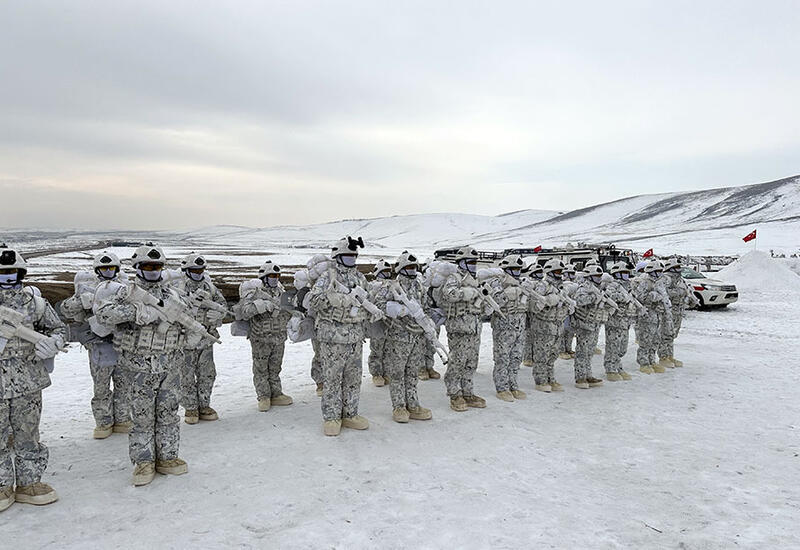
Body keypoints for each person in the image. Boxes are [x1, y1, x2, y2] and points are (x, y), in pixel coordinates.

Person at [95, 244, 191, 486]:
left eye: (157, 266)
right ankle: (144, 461)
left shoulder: (172, 295)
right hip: (138, 368)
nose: (153, 271)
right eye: (147, 266)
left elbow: (187, 320)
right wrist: (138, 311)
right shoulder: (126, 292)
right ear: (137, 268)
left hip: (170, 366)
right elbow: (104, 315)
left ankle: (168, 456)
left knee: (168, 412)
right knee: (142, 416)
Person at [0, 245, 64, 510]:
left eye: (12, 273)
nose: (7, 278)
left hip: (28, 381)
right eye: (2, 274)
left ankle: (29, 483)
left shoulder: (35, 303)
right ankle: (2, 486)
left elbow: (58, 327)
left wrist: (54, 343)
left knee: (28, 433)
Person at [60, 252, 132, 438]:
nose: (108, 271)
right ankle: (103, 422)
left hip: (122, 344)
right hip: (99, 345)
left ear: (117, 269)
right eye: (103, 268)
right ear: (97, 270)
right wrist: (83, 300)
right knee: (101, 387)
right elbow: (66, 308)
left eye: (111, 268)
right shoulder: (87, 288)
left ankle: (123, 419)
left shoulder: (124, 287)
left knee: (123, 385)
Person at [307, 236, 373, 436]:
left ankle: (350, 414)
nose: (352, 259)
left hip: (355, 337)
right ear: (338, 256)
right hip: (333, 338)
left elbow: (368, 300)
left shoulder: (360, 278)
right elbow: (314, 300)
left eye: (354, 256)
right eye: (347, 255)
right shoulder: (328, 276)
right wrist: (334, 298)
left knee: (353, 378)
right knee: (333, 378)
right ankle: (332, 417)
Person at [379, 251, 433, 423]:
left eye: (414, 267)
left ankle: (413, 403)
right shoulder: (391, 286)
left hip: (417, 337)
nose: (412, 270)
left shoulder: (419, 287)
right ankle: (399, 406)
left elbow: (427, 307)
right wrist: (397, 310)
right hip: (398, 338)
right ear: (401, 268)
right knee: (397, 373)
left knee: (412, 372)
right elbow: (379, 305)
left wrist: (429, 322)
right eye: (408, 267)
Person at [173, 253, 227, 424]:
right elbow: (171, 310)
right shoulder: (178, 288)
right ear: (187, 270)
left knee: (207, 374)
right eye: (194, 270)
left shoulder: (209, 287)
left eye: (201, 269)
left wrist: (218, 314)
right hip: (185, 340)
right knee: (186, 376)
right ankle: (190, 408)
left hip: (206, 339)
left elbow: (223, 305)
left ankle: (204, 405)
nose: (198, 272)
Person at [236, 260, 294, 412]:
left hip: (279, 337)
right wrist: (258, 306)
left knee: (275, 367)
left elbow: (289, 310)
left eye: (277, 275)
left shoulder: (281, 292)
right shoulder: (254, 292)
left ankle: (276, 393)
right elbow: (243, 312)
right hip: (261, 338)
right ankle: (263, 396)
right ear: (264, 277)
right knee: (261, 369)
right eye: (271, 275)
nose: (275, 278)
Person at [437, 246, 486, 412]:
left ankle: (468, 392)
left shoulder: (476, 279)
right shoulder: (455, 277)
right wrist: (468, 292)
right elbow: (449, 293)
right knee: (457, 362)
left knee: (471, 362)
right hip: (459, 328)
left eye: (475, 262)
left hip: (474, 328)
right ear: (462, 262)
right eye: (470, 261)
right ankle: (454, 393)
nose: (473, 264)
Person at [486, 255, 528, 402]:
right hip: (504, 327)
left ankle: (513, 385)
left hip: (519, 326)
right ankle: (502, 388)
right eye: (514, 269)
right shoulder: (497, 282)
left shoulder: (521, 283)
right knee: (502, 358)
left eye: (519, 269)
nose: (517, 271)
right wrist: (507, 294)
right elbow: (494, 301)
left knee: (516, 357)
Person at [525, 259, 571, 392]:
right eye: (557, 271)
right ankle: (541, 380)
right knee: (541, 355)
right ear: (550, 272)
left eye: (561, 272)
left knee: (553, 354)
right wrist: (548, 301)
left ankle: (551, 378)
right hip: (543, 326)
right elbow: (533, 307)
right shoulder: (542, 286)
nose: (560, 274)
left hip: (557, 325)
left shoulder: (561, 287)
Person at [572, 265, 615, 389]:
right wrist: (594, 297)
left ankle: (588, 375)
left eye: (599, 276)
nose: (598, 278)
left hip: (594, 323)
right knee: (582, 351)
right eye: (596, 276)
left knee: (590, 351)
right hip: (585, 324)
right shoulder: (584, 288)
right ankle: (580, 377)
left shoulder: (598, 288)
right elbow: (579, 301)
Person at [632, 260, 673, 374]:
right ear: (652, 271)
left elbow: (664, 297)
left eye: (661, 271)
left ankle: (652, 361)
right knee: (646, 340)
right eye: (658, 271)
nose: (660, 273)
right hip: (647, 316)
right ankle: (644, 363)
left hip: (658, 316)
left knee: (655, 340)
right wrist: (652, 296)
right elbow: (639, 298)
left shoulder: (659, 282)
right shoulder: (645, 282)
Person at [602, 262, 638, 381]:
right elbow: (609, 296)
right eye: (624, 273)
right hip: (614, 321)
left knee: (622, 347)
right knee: (613, 346)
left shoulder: (628, 285)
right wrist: (624, 298)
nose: (627, 275)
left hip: (625, 321)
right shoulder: (613, 285)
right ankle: (611, 368)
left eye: (627, 273)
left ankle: (617, 365)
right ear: (617, 273)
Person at [658, 258, 693, 368]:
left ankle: (670, 355)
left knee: (672, 334)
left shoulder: (680, 279)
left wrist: (688, 298)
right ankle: (663, 357)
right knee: (665, 333)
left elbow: (686, 291)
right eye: (677, 267)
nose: (679, 269)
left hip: (678, 310)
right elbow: (662, 292)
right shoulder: (665, 278)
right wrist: (679, 292)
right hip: (668, 310)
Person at [367, 260, 393, 387]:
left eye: (388, 273)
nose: (387, 276)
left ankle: (387, 371)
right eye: (384, 273)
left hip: (390, 323)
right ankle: (376, 373)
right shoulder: (372, 286)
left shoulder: (392, 286)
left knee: (388, 349)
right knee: (377, 349)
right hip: (377, 323)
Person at [521, 262, 544, 367]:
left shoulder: (543, 284)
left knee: (538, 337)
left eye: (540, 272)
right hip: (529, 314)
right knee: (529, 337)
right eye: (537, 272)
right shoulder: (529, 283)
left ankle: (535, 356)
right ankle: (527, 357)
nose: (540, 274)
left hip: (539, 314)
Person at [559, 264, 579, 360]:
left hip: (572, 311)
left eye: (573, 273)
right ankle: (561, 350)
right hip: (563, 311)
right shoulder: (562, 284)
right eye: (570, 273)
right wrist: (570, 303)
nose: (573, 275)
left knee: (570, 330)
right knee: (562, 331)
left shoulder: (574, 284)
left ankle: (569, 348)